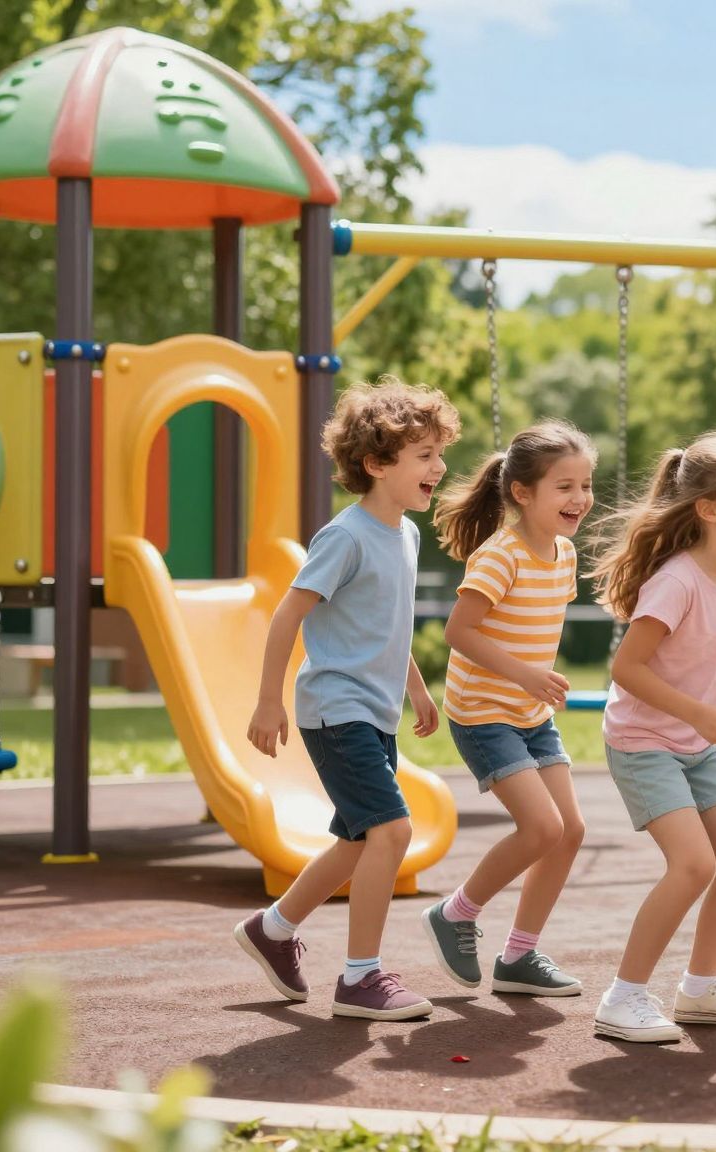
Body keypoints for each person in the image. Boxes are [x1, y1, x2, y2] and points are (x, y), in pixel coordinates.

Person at [234, 376, 460, 1021]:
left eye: (440, 453)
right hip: (336, 709)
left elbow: (384, 626)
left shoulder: (406, 536)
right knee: (392, 830)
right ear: (376, 464)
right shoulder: (347, 536)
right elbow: (287, 616)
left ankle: (271, 931)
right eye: (424, 456)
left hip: (375, 709)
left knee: (359, 840)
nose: (439, 468)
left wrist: (415, 688)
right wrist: (268, 701)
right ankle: (361, 978)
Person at [587, 426, 716, 1043]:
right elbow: (626, 668)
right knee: (694, 863)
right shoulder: (676, 580)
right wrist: (699, 714)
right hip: (643, 742)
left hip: (693, 747)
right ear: (708, 509)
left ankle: (699, 990)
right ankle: (623, 997)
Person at [422, 420, 597, 996]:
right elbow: (459, 631)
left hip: (528, 715)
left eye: (586, 485)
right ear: (523, 493)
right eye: (564, 487)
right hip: (482, 713)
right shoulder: (502, 556)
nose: (580, 499)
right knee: (541, 826)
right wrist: (527, 674)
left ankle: (519, 956)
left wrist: (533, 683)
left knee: (569, 830)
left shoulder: (564, 555)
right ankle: (455, 913)